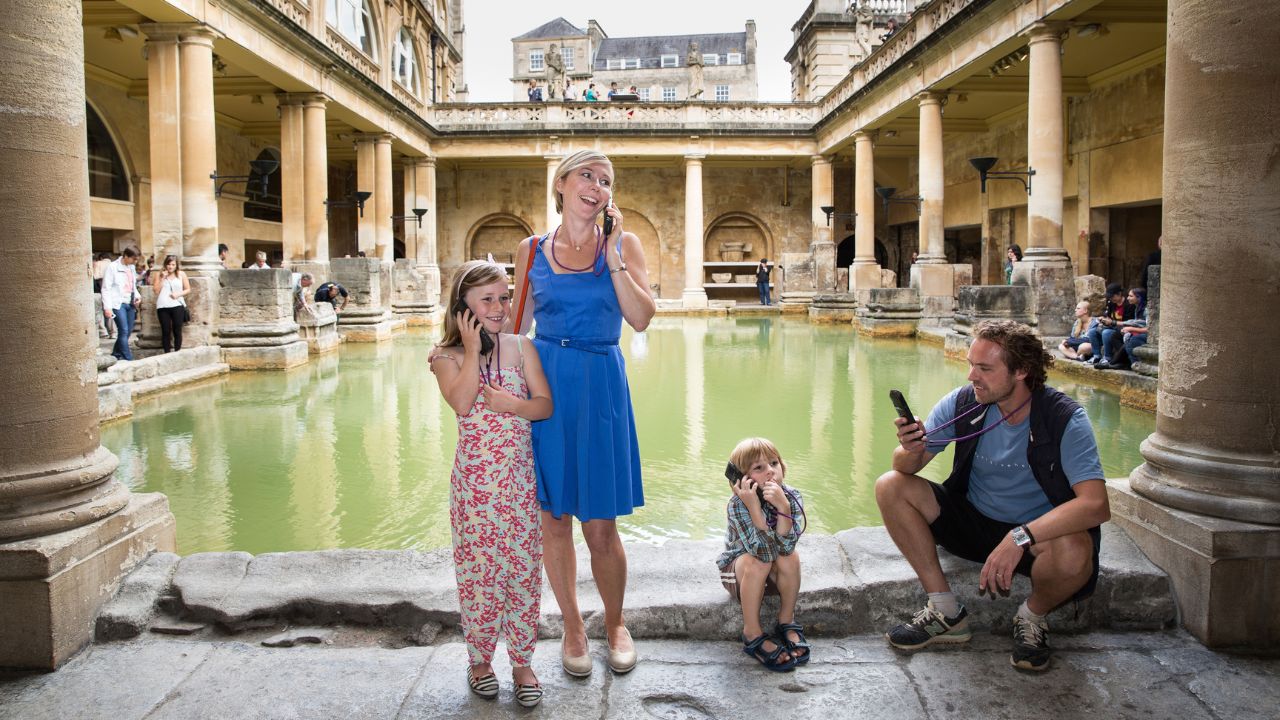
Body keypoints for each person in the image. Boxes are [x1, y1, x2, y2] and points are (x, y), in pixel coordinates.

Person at [875, 320, 1110, 672]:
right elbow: (906, 468)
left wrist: (1019, 536)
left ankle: (1032, 617)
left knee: (1077, 550)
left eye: (984, 368)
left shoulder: (1064, 419)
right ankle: (945, 611)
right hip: (973, 521)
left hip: (1034, 538)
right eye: (971, 364)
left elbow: (1095, 505)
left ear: (1022, 371)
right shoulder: (964, 403)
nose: (972, 376)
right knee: (889, 484)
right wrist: (910, 447)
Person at [508, 149, 656, 678]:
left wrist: (613, 253)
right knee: (553, 521)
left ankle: (615, 623)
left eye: (606, 180)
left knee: (600, 526)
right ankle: (572, 627)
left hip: (599, 388)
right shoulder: (531, 249)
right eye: (587, 176)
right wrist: (463, 361)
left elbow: (639, 318)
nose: (597, 186)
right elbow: (514, 328)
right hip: (546, 387)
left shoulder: (625, 244)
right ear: (562, 184)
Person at [430, 260, 553, 708]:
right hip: (474, 491)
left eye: (504, 297)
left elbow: (543, 406)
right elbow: (462, 403)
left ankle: (522, 663)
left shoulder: (523, 347)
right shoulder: (445, 357)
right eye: (488, 300)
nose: (500, 307)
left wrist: (511, 404)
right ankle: (480, 660)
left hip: (518, 483)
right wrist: (467, 345)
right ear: (463, 307)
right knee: (479, 575)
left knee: (522, 573)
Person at [717, 437, 809, 672]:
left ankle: (786, 620)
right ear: (742, 479)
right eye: (759, 468)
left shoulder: (792, 496)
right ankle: (752, 632)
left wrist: (784, 508)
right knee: (758, 561)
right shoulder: (738, 504)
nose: (770, 471)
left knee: (792, 557)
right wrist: (755, 510)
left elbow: (785, 549)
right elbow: (763, 553)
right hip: (741, 574)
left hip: (774, 574)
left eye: (774, 463)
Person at [101, 246, 142, 361]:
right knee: (123, 330)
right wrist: (107, 307)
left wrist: (138, 296)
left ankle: (116, 354)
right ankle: (128, 357)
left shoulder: (131, 268)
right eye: (133, 259)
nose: (135, 261)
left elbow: (132, 286)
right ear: (125, 256)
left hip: (130, 302)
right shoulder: (112, 267)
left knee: (128, 331)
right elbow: (106, 288)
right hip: (118, 303)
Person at [1096, 288, 1146, 370]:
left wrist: (1130, 328)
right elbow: (1134, 322)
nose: (1128, 298)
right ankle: (1122, 361)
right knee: (1115, 336)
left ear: (1139, 297)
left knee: (1128, 339)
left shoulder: (1144, 309)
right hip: (1128, 328)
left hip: (1142, 333)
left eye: (1131, 296)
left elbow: (1145, 326)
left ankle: (1112, 362)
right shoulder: (1137, 308)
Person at [152, 254, 190, 353]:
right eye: (169, 264)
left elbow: (188, 289)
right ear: (165, 264)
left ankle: (177, 352)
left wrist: (178, 294)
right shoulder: (159, 274)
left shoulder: (181, 274)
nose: (170, 267)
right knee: (165, 331)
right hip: (163, 305)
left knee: (177, 330)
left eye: (173, 264)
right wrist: (162, 278)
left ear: (176, 265)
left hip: (177, 304)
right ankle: (167, 353)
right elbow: (156, 291)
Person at [1084, 283, 1130, 366]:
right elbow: (1108, 316)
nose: (1111, 299)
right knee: (1092, 332)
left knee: (1106, 333)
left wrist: (1112, 322)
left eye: (1112, 296)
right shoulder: (1111, 303)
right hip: (1111, 326)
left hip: (1121, 329)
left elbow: (1127, 323)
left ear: (1119, 294)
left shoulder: (1128, 305)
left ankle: (1107, 357)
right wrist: (1103, 319)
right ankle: (1096, 356)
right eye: (1110, 297)